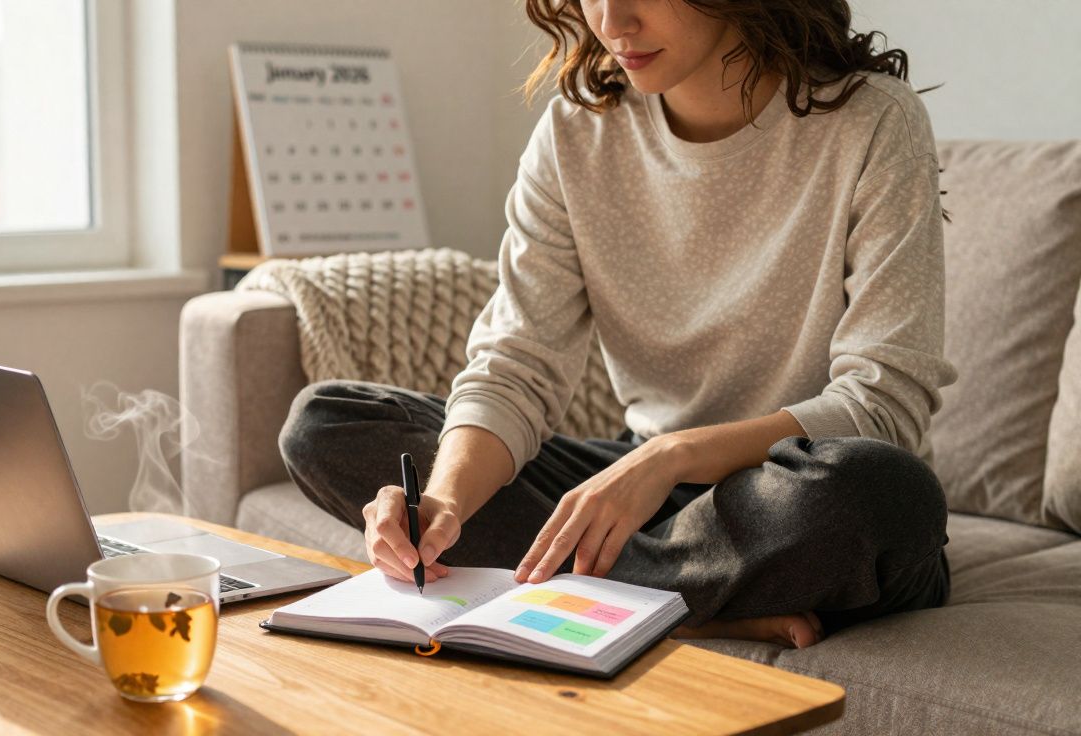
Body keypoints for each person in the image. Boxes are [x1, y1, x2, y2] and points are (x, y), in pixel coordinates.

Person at [280, 0, 957, 649]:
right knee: (326, 422)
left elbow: (882, 403)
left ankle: (603, 595)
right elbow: (517, 365)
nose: (611, 20)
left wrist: (669, 457)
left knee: (882, 497)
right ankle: (683, 605)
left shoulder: (873, 123)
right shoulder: (577, 131)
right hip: (652, 504)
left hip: (787, 494)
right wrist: (445, 504)